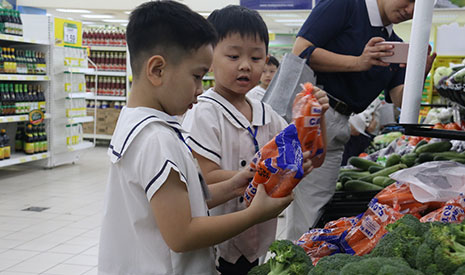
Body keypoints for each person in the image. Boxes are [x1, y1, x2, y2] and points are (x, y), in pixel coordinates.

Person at [98, 2, 294, 274]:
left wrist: (236, 184)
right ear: (157, 71)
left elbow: (180, 203)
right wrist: (254, 215)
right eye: (197, 76)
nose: (201, 90)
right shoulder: (157, 140)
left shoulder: (136, 122)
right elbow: (183, 235)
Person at [182, 5, 329, 275]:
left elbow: (315, 157)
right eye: (233, 55)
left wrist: (316, 117)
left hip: (258, 236)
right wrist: (263, 174)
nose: (246, 65)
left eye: (257, 57)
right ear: (209, 58)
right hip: (218, 239)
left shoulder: (267, 113)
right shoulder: (204, 111)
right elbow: (204, 178)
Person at [283, 0, 437, 240]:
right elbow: (301, 50)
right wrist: (358, 62)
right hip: (310, 115)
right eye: (408, 1)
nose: (411, 11)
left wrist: (420, 73)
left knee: (313, 207)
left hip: (340, 124)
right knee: (296, 210)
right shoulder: (345, 5)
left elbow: (399, 98)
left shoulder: (394, 45)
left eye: (419, 6)